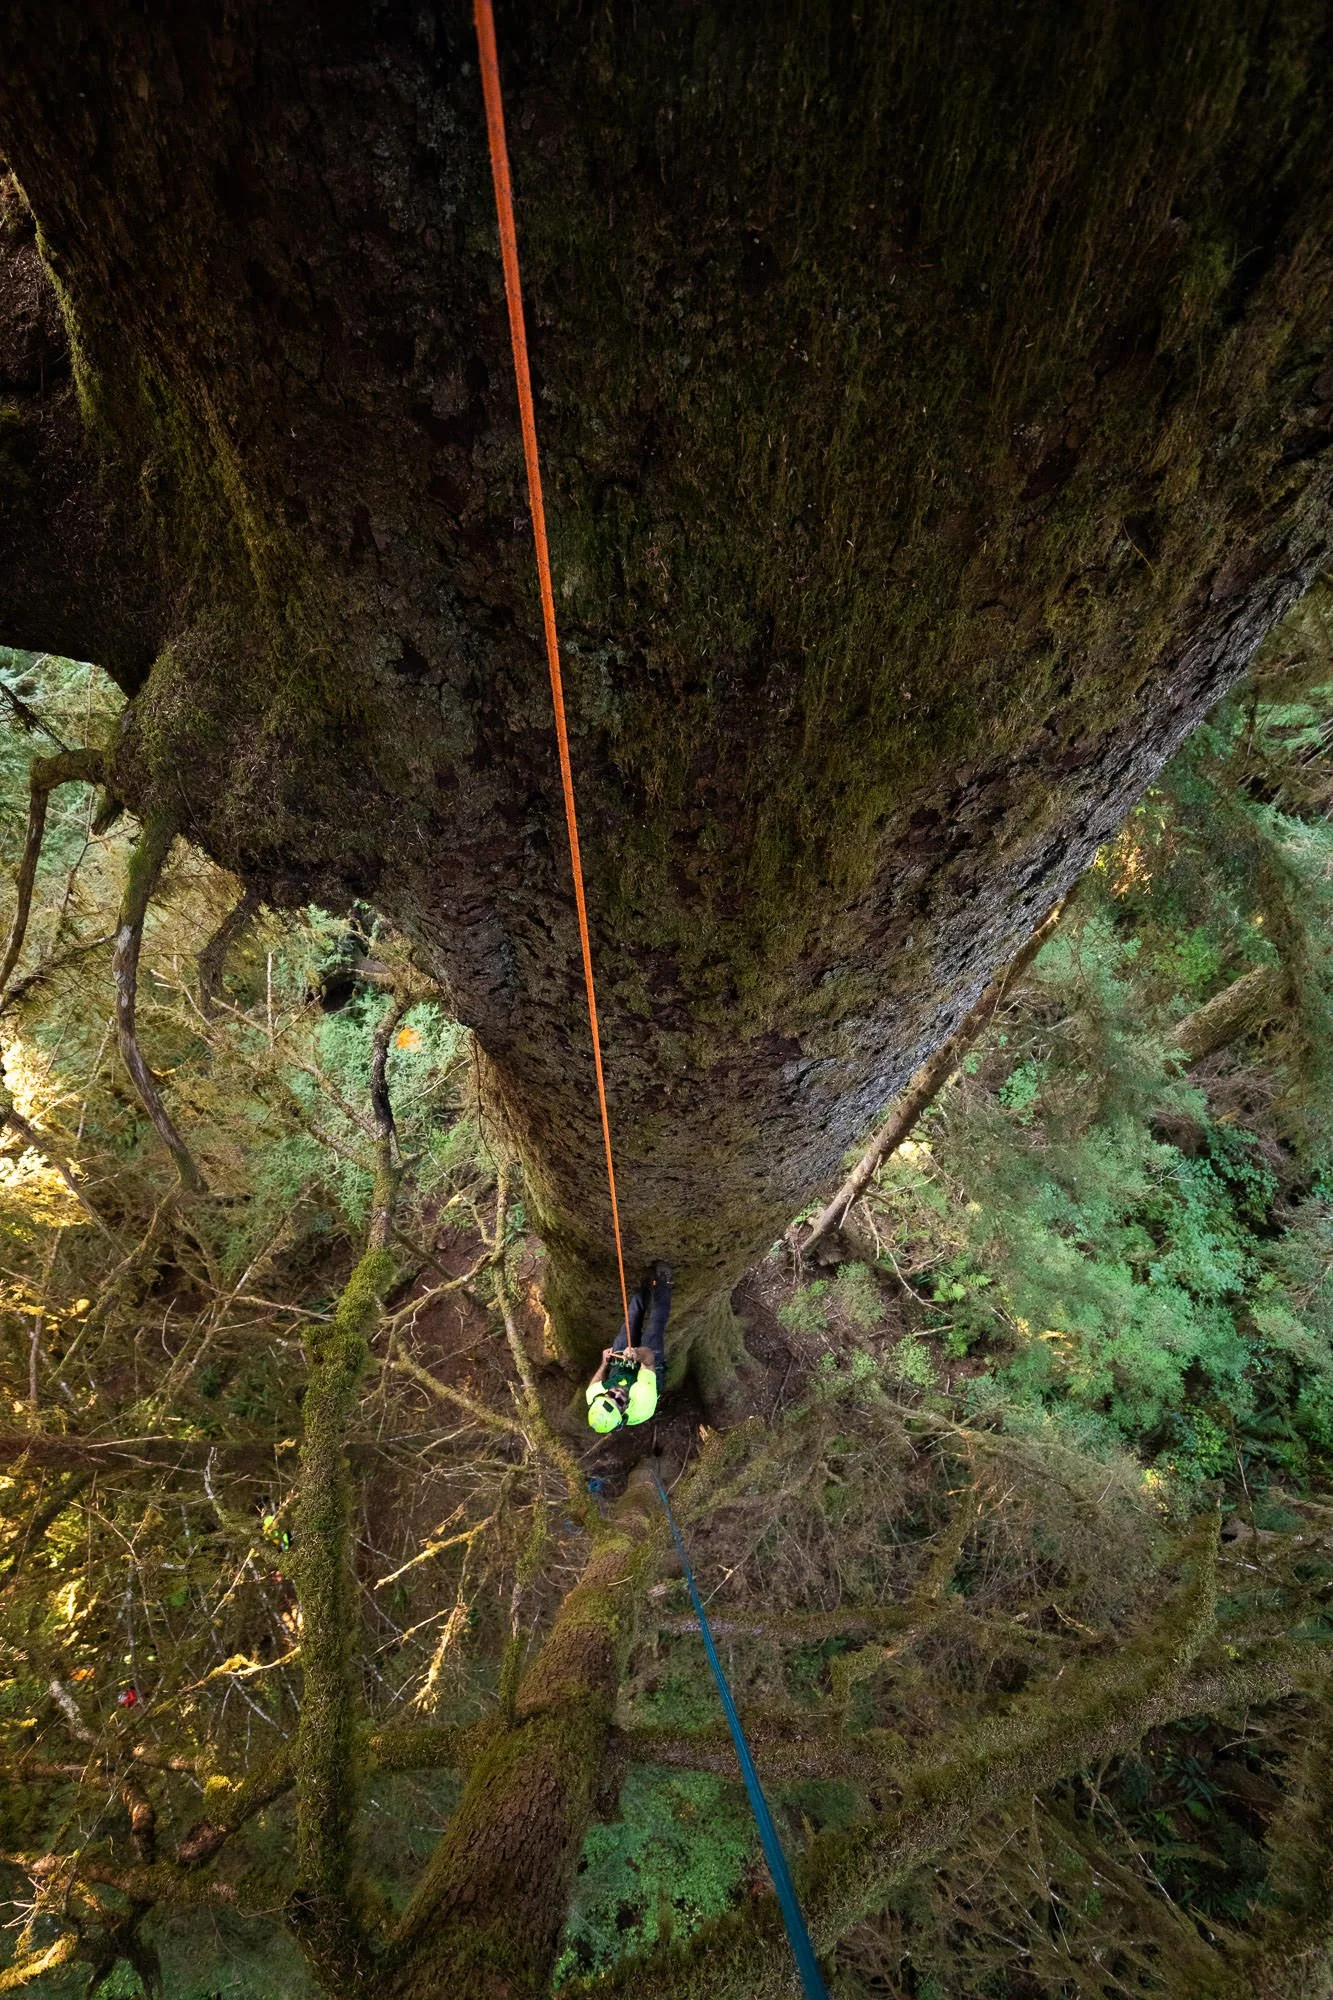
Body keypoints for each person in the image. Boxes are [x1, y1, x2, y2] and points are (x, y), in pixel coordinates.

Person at [586, 1261, 672, 1432]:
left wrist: (604, 1363)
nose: (617, 1394)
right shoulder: (643, 1402)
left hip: (621, 1370)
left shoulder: (594, 1397)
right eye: (618, 1402)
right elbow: (648, 1359)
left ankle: (645, 1287)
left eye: (611, 1395)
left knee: (631, 1319)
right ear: (624, 1412)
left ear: (602, 1395)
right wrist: (637, 1353)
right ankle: (663, 1283)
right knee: (654, 1326)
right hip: (650, 1372)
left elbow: (594, 1384)